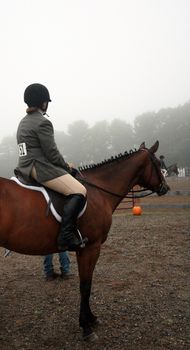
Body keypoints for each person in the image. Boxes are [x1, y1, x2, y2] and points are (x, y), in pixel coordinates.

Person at [15, 83, 87, 251]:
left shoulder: (22, 122)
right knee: (79, 190)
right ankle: (66, 236)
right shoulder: (42, 122)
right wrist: (67, 168)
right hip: (39, 168)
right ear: (43, 103)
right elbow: (52, 154)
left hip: (24, 167)